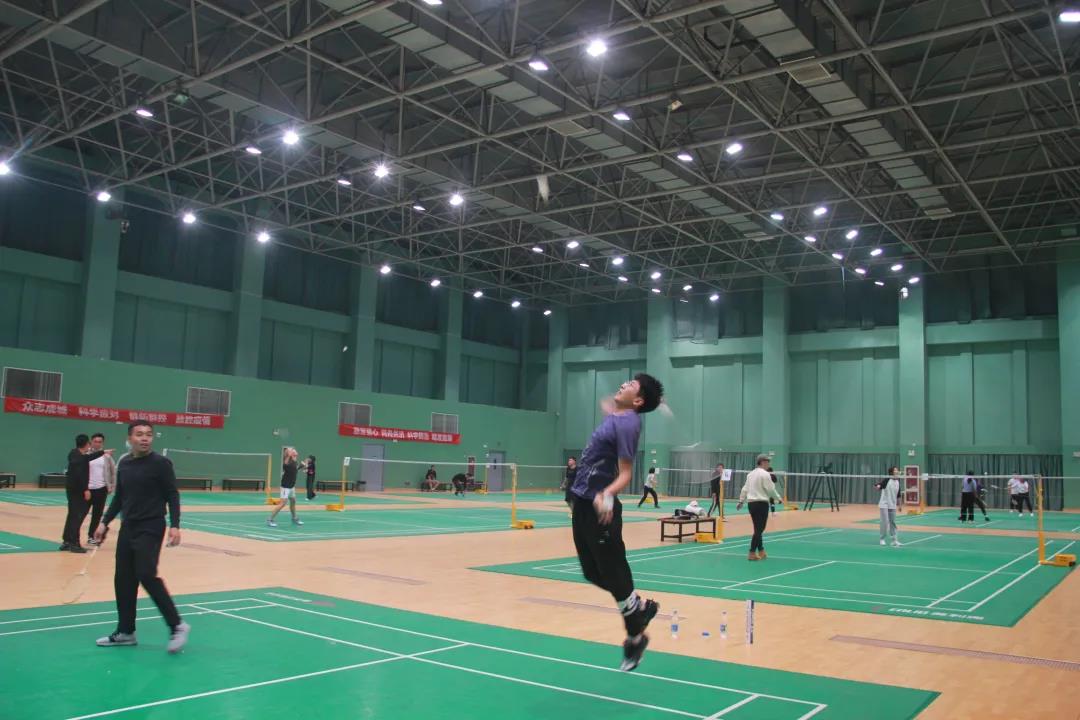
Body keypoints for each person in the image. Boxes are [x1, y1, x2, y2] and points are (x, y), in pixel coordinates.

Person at [569, 374, 664, 672]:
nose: (625, 383)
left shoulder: (628, 423)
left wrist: (607, 494)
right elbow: (612, 406)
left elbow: (625, 473)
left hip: (601, 507)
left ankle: (635, 638)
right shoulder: (619, 416)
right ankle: (639, 606)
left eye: (632, 385)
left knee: (614, 573)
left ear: (638, 400)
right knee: (591, 572)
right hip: (582, 502)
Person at [93, 421, 189, 653]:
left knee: (145, 573)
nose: (144, 438)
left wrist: (175, 525)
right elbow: (119, 497)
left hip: (151, 526)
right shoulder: (125, 463)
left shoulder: (161, 464)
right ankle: (126, 632)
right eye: (139, 434)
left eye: (148, 434)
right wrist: (104, 522)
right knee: (123, 579)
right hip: (128, 527)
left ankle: (177, 625)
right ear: (130, 438)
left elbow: (172, 494)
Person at [62, 434, 109, 553]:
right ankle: (74, 543)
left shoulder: (76, 454)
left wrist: (103, 452)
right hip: (77, 492)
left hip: (72, 490)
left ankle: (67, 541)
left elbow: (88, 457)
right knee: (77, 517)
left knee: (72, 516)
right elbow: (80, 476)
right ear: (86, 444)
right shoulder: (79, 458)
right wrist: (86, 489)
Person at [737, 454, 782, 561]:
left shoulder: (750, 474)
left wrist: (741, 501)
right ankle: (752, 552)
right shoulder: (765, 474)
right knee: (760, 529)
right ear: (762, 462)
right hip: (761, 504)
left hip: (751, 504)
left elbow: (744, 489)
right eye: (767, 461)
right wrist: (779, 498)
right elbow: (770, 489)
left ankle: (761, 551)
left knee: (757, 528)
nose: (768, 464)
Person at [86, 433, 116, 546]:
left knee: (97, 515)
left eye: (100, 442)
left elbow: (113, 472)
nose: (97, 444)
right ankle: (74, 538)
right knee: (81, 514)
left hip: (101, 489)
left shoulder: (107, 457)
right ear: (91, 442)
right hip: (87, 490)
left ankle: (91, 536)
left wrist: (112, 485)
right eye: (95, 441)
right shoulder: (86, 455)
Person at [268, 448, 303, 527]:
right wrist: (288, 456)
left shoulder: (294, 461)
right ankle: (270, 519)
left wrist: (301, 466)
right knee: (283, 503)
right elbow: (285, 464)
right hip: (286, 487)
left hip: (291, 486)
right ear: (289, 454)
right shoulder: (287, 461)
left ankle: (294, 518)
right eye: (292, 450)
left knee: (293, 501)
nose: (294, 450)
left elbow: (294, 470)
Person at [877, 466, 902, 547]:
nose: (897, 471)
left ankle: (894, 540)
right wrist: (878, 486)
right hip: (884, 504)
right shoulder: (887, 480)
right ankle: (882, 539)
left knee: (893, 522)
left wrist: (900, 505)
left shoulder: (897, 482)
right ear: (892, 472)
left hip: (893, 504)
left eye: (897, 470)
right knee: (885, 521)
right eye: (895, 470)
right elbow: (879, 485)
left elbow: (898, 495)